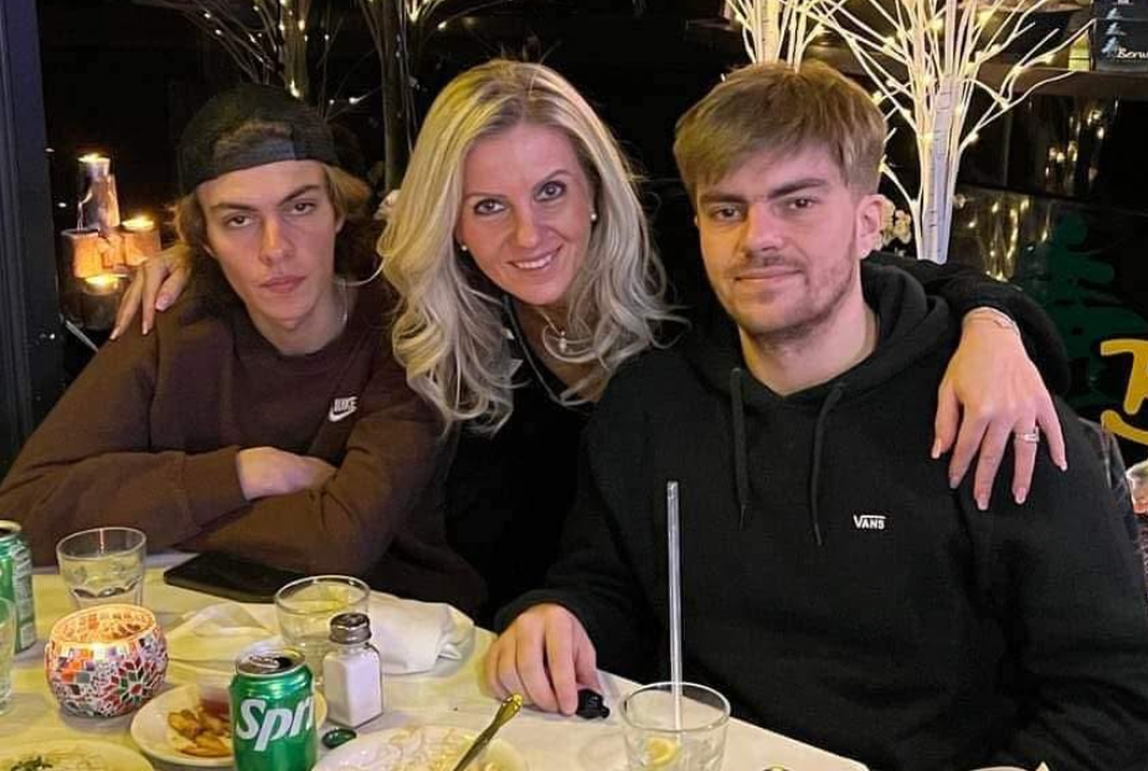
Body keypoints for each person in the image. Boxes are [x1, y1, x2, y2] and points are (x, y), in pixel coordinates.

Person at [113, 60, 1069, 619]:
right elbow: (308, 237)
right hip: (548, 655)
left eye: (552, 192)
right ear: (452, 222)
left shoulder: (694, 251)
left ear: (597, 190)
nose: (527, 236)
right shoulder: (455, 301)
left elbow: (876, 273)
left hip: (727, 641)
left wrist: (994, 324)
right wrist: (194, 254)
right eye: (488, 206)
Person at [483, 62, 1148, 771]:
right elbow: (603, 583)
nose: (758, 238)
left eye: (798, 203)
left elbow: (1112, 696)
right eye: (727, 210)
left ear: (869, 223)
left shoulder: (993, 411)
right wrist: (559, 617)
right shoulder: (650, 403)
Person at [0, 85, 484, 612]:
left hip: (403, 631)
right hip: (208, 624)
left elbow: (340, 542)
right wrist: (247, 473)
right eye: (238, 219)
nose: (275, 248)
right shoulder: (173, 321)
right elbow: (21, 511)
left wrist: (152, 517)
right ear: (203, 240)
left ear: (338, 212)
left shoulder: (407, 325)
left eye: (300, 207)